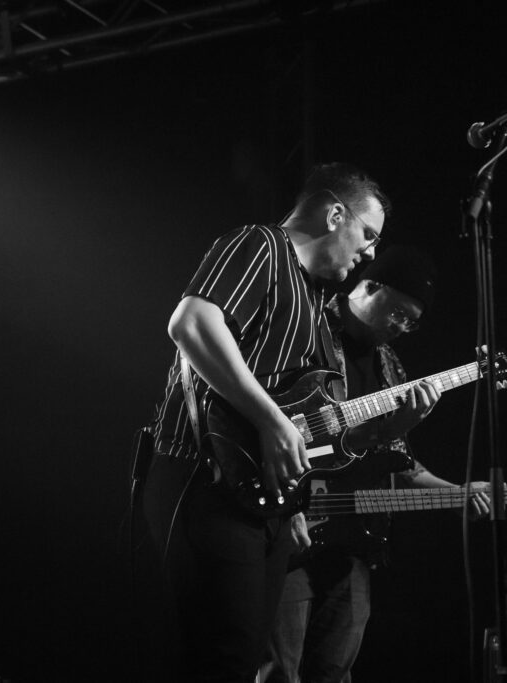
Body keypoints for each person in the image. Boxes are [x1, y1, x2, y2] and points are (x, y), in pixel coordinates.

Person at [140, 162, 390, 682]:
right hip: (205, 484)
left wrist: (297, 497)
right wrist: (273, 422)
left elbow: (302, 418)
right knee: (220, 659)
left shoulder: (319, 304)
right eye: (367, 234)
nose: (370, 252)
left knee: (247, 659)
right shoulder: (261, 245)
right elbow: (191, 322)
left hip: (267, 504)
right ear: (334, 214)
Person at [261, 245, 491, 683]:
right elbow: (264, 423)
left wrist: (456, 493)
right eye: (399, 312)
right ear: (369, 286)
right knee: (278, 673)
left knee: (334, 672)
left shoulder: (390, 364)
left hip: (355, 542)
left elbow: (399, 461)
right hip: (288, 527)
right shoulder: (306, 332)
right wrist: (284, 505)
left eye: (413, 321)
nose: (403, 327)